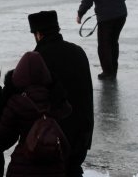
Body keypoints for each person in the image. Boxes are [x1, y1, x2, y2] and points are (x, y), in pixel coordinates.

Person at [30, 10, 94, 177]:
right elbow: (88, 95)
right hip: (81, 135)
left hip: (51, 139)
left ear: (38, 34)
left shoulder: (38, 57)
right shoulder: (78, 52)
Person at [0, 51, 72, 177]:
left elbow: (3, 136)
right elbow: (67, 112)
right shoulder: (56, 98)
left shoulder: (17, 102)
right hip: (54, 165)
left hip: (23, 164)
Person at [77, 0, 127, 80]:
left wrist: (80, 13)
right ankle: (113, 70)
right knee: (113, 42)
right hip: (121, 15)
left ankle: (107, 72)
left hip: (106, 18)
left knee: (104, 45)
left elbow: (88, 0)